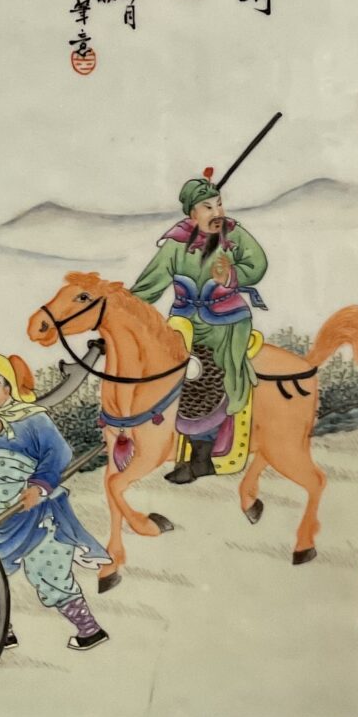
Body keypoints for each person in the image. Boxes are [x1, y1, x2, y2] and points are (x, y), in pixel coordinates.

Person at [130, 169, 268, 486]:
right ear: (192, 213)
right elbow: (149, 286)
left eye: (219, 204)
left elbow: (258, 265)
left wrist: (231, 274)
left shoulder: (234, 235)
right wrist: (124, 312)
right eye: (208, 207)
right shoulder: (175, 245)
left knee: (204, 377)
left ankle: (201, 459)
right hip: (182, 324)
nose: (217, 212)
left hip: (226, 322)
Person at [0, 353, 110, 652]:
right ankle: (2, 632)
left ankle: (90, 630)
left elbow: (58, 453)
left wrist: (39, 487)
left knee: (49, 572)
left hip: (35, 512)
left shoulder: (32, 419)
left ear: (9, 388)